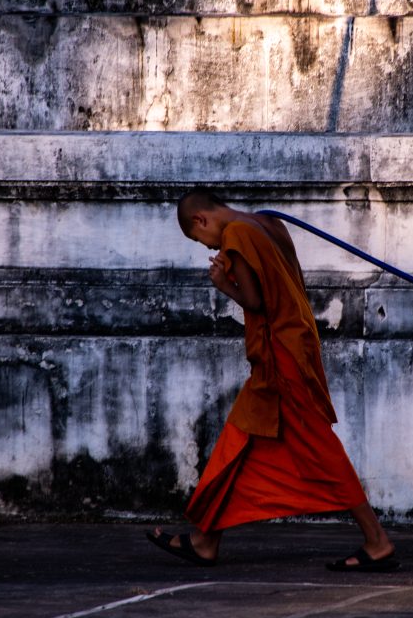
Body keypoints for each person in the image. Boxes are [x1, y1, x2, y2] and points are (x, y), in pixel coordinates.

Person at [146, 188, 398, 572]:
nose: (207, 246)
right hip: (291, 346)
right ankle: (205, 540)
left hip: (281, 357)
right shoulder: (267, 221)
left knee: (318, 446)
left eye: (200, 240)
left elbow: (256, 300)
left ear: (201, 219)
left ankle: (377, 541)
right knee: (240, 440)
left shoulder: (236, 235)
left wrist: (222, 285)